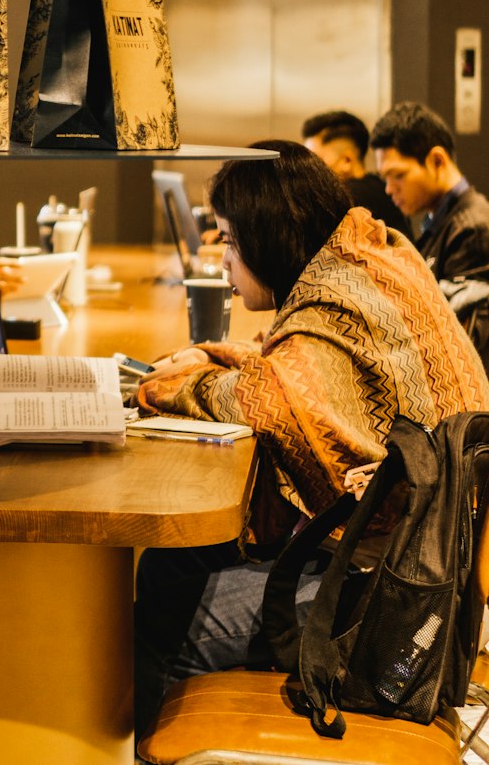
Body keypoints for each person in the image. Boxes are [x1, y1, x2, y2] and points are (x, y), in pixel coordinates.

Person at [132, 140, 489, 742]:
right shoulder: (368, 262)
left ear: (266, 238)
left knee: (160, 626)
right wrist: (213, 353)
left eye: (227, 238)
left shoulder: (331, 305)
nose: (221, 258)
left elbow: (265, 397)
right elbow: (302, 363)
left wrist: (167, 388)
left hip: (402, 604)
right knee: (172, 565)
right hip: (432, 558)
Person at [370, 101, 489, 280]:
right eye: (385, 178)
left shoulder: (471, 231)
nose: (389, 189)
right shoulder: (440, 221)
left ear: (437, 161)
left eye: (398, 175)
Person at [301, 108, 410, 235]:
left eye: (316, 161)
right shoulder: (378, 188)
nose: (308, 170)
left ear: (347, 161)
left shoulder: (348, 199)